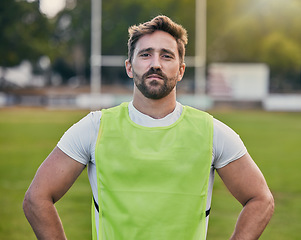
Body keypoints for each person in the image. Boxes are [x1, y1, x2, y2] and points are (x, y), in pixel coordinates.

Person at [23, 15, 274, 240]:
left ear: (181, 70)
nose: (156, 63)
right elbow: (36, 199)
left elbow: (261, 200)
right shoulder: (94, 127)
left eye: (166, 55)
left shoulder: (212, 132)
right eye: (145, 54)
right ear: (130, 68)